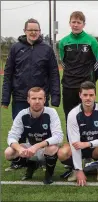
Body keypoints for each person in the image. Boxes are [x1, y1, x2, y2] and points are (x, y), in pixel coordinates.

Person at [2, 18, 61, 171]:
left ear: (40, 32)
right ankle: (20, 161)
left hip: (40, 98)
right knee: (20, 131)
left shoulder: (46, 49)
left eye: (36, 30)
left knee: (43, 131)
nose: (33, 32)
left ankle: (42, 159)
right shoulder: (16, 48)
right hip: (20, 96)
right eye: (30, 30)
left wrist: (55, 97)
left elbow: (54, 73)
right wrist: (5, 99)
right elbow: (8, 74)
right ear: (25, 31)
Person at [57, 81, 98, 186]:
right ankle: (75, 168)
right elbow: (74, 143)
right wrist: (79, 170)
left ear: (95, 95)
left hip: (96, 149)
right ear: (80, 95)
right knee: (62, 153)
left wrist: (88, 144)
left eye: (91, 95)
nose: (88, 98)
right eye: (85, 95)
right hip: (79, 147)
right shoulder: (73, 114)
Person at [4, 87, 63, 184]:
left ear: (44, 100)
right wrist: (20, 149)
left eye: (40, 98)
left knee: (52, 148)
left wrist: (37, 146)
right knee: (8, 152)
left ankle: (48, 175)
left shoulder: (51, 112)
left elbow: (59, 136)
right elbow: (11, 136)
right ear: (28, 100)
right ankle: (32, 165)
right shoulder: (22, 114)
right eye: (34, 98)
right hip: (30, 147)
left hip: (45, 148)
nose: (37, 101)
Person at [59, 11, 98, 124]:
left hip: (86, 86)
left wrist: (90, 81)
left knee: (87, 115)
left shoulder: (92, 41)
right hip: (69, 85)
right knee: (70, 115)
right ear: (69, 23)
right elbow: (63, 63)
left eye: (79, 22)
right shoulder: (63, 42)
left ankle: (88, 141)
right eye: (73, 22)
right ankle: (72, 141)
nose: (76, 25)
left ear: (83, 24)